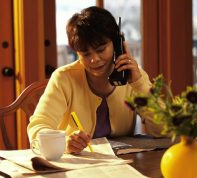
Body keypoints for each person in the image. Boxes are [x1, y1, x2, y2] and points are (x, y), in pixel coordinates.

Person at [27, 6, 159, 154]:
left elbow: (164, 130)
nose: (94, 60)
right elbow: (38, 127)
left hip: (125, 165)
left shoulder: (134, 76)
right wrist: (65, 143)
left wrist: (139, 84)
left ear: (117, 44)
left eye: (101, 50)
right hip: (78, 168)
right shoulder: (63, 78)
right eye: (85, 54)